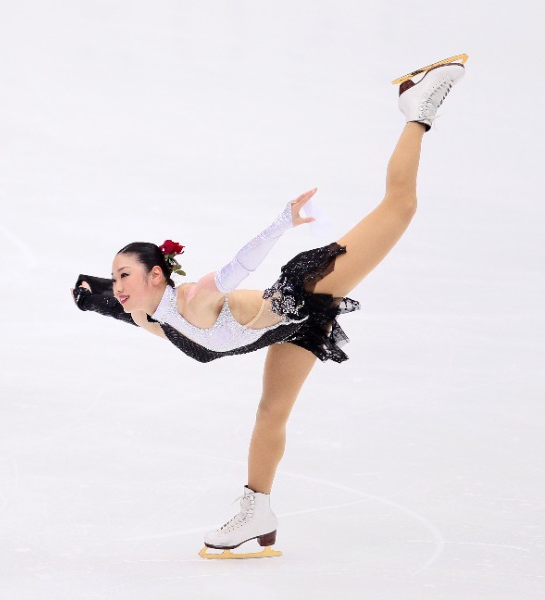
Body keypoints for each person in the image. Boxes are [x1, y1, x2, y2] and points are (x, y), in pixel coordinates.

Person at [71, 59, 466, 557]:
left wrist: (283, 221)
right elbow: (115, 302)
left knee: (400, 205)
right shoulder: (152, 317)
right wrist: (97, 298)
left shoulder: (194, 299)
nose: (119, 288)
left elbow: (239, 265)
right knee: (271, 412)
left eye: (124, 275)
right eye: (116, 278)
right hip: (289, 331)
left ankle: (418, 111)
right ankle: (256, 509)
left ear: (156, 275)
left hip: (304, 293)